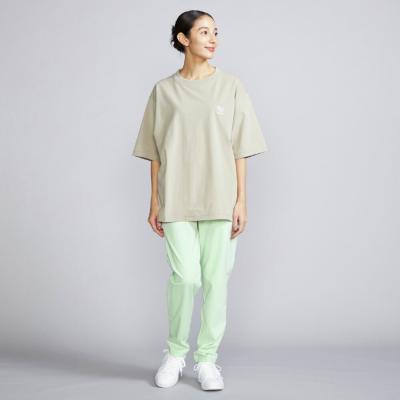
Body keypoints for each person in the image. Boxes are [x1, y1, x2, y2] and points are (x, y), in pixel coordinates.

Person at [132, 10, 268, 391]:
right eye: (204, 32)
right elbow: (154, 151)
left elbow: (241, 148)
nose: (213, 39)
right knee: (186, 277)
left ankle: (207, 359)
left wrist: (241, 201)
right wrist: (154, 201)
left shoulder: (231, 87)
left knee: (215, 280)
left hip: (220, 197)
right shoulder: (163, 91)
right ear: (183, 38)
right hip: (175, 196)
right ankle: (175, 354)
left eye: (215, 32)